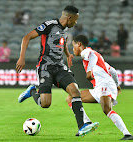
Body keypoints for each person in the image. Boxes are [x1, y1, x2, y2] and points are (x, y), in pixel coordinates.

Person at [15, 6, 99, 137]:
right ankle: (32, 90)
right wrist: (21, 58)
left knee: (75, 91)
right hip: (45, 67)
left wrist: (68, 54)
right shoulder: (49, 25)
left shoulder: (65, 29)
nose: (76, 23)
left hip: (59, 67)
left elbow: (62, 42)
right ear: (69, 18)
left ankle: (82, 126)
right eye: (75, 20)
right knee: (45, 103)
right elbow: (26, 37)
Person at [66, 35, 133, 140]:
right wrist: (117, 85)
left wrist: (89, 70)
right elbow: (113, 71)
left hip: (104, 84)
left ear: (79, 44)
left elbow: (91, 55)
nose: (73, 49)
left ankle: (127, 134)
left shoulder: (86, 52)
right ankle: (87, 123)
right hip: (99, 87)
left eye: (74, 45)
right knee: (71, 98)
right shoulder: (99, 59)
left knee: (106, 109)